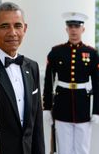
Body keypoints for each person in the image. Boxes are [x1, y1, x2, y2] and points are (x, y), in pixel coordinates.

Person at [0, 2, 45, 154]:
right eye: (4, 26)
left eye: (17, 26)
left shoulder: (32, 67)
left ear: (25, 28)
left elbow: (37, 124)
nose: (12, 32)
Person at [43, 12, 99, 154]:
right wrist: (47, 107)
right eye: (70, 26)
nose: (74, 29)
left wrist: (97, 110)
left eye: (77, 26)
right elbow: (49, 81)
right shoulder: (56, 52)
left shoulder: (91, 53)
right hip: (62, 105)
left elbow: (97, 84)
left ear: (83, 29)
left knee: (82, 148)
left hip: (83, 106)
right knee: (64, 149)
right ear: (66, 29)